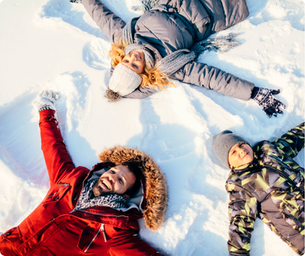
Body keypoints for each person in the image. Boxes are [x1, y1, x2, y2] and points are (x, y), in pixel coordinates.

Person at [0, 91, 168, 256]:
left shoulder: (114, 229)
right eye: (114, 171)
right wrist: (46, 110)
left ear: (125, 197)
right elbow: (52, 147)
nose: (111, 177)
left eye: (121, 180)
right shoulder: (70, 179)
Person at [79, 0, 286, 117]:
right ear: (143, 74)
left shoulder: (124, 40)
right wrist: (253, 92)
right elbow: (211, 78)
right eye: (135, 65)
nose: (133, 57)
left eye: (126, 61)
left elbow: (102, 17)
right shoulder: (169, 65)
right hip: (207, 10)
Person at [212, 122, 305, 255]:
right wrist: (238, 253)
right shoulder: (240, 185)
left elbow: (295, 138)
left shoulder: (269, 151)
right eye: (233, 152)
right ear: (230, 164)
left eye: (241, 144)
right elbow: (240, 223)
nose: (242, 150)